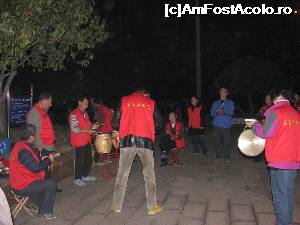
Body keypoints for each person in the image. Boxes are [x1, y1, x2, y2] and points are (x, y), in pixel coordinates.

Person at [246, 89, 300, 225]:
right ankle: (284, 221)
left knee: (279, 197)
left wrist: (254, 126)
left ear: (278, 98)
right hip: (293, 161)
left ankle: (283, 222)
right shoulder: (296, 114)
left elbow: (266, 133)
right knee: (287, 196)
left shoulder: (275, 111)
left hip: (279, 161)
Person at [111, 89, 163, 215]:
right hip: (145, 141)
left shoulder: (124, 100)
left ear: (133, 93)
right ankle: (152, 207)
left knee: (122, 174)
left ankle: (117, 206)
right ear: (144, 94)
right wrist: (149, 127)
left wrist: (123, 127)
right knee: (149, 175)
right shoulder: (151, 102)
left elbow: (114, 123)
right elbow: (160, 124)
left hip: (127, 141)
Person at [9, 124, 57, 219]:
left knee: (44, 181)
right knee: (50, 184)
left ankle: (35, 204)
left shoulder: (22, 145)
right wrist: (48, 160)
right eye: (35, 134)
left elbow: (30, 163)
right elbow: (36, 168)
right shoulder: (23, 150)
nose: (36, 136)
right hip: (21, 186)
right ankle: (44, 212)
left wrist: (42, 159)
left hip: (23, 181)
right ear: (31, 137)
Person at [27, 92, 62, 192]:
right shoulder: (34, 112)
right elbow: (33, 132)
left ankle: (51, 187)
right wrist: (40, 147)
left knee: (47, 168)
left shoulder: (41, 111)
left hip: (47, 146)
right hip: (42, 147)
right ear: (44, 101)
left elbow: (45, 128)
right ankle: (47, 190)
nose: (51, 105)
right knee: (43, 170)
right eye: (49, 102)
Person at [69, 96, 98, 187]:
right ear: (79, 103)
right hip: (79, 141)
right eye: (85, 103)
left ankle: (84, 175)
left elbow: (88, 125)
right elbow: (74, 129)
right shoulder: (73, 114)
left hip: (86, 140)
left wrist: (93, 127)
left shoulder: (85, 113)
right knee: (79, 160)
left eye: (87, 104)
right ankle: (77, 178)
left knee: (88, 159)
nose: (87, 105)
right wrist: (87, 131)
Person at [210, 88, 235, 162]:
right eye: (221, 92)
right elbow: (211, 112)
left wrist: (223, 111)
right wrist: (216, 111)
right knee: (217, 141)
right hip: (217, 124)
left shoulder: (230, 102)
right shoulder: (215, 102)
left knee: (226, 141)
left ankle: (227, 157)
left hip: (226, 125)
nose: (222, 94)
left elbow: (231, 112)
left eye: (223, 92)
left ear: (227, 93)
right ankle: (218, 156)